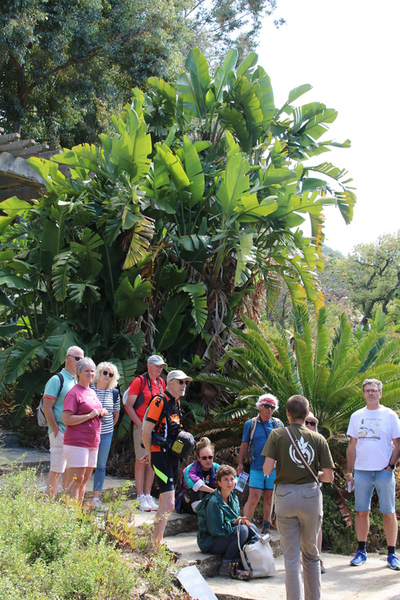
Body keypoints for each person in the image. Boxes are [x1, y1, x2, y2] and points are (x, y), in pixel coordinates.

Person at [262, 395, 334, 600]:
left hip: (285, 495)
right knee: (311, 555)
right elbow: (328, 477)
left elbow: (267, 469)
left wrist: (283, 466)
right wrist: (312, 473)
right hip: (310, 495)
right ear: (307, 414)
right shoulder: (318, 438)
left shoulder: (277, 435)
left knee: (291, 558)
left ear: (287, 413)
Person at [346, 378, 400, 569]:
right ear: (363, 393)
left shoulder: (390, 415)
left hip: (384, 472)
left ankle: (392, 554)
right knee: (361, 512)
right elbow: (352, 446)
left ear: (380, 393)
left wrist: (391, 466)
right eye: (367, 390)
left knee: (389, 513)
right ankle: (361, 551)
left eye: (374, 390)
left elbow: (398, 443)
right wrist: (348, 471)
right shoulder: (356, 416)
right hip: (361, 471)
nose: (371, 393)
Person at [141, 369, 191, 544]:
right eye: (180, 382)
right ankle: (155, 543)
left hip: (172, 457)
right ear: (169, 383)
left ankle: (156, 542)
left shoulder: (176, 403)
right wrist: (150, 454)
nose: (184, 385)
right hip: (160, 457)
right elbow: (146, 432)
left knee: (165, 501)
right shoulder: (159, 401)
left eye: (186, 382)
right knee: (169, 502)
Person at [196, 464, 258, 577]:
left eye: (232, 479)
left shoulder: (233, 497)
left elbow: (236, 517)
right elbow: (216, 530)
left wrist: (242, 521)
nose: (230, 483)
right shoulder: (214, 502)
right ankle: (226, 565)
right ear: (219, 483)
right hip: (211, 541)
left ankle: (249, 560)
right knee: (242, 531)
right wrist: (235, 523)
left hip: (224, 534)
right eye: (225, 480)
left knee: (252, 528)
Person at [62, 358, 108, 504]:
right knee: (76, 480)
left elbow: (93, 411)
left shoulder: (91, 391)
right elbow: (67, 419)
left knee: (84, 480)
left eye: (92, 371)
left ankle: (78, 513)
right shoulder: (74, 393)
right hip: (77, 442)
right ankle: (69, 515)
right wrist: (89, 415)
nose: (90, 373)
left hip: (92, 443)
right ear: (78, 373)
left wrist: (100, 412)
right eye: (86, 371)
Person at [42, 345, 84, 498]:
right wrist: (55, 430)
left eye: (82, 359)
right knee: (57, 470)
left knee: (69, 471)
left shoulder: (76, 381)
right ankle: (50, 505)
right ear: (67, 358)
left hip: (73, 434)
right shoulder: (57, 379)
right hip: (60, 432)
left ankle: (65, 504)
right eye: (77, 358)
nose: (79, 362)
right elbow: (47, 407)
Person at [125, 355, 166, 511]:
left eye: (161, 366)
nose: (159, 369)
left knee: (152, 460)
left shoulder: (161, 382)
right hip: (142, 427)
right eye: (156, 366)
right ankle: (140, 496)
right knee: (141, 460)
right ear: (148, 365)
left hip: (157, 428)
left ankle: (148, 495)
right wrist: (140, 423)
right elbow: (129, 405)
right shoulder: (139, 381)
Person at [237, 393, 283, 533]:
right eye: (266, 406)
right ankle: (246, 526)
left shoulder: (278, 424)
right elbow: (244, 445)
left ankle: (266, 527)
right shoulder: (251, 424)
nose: (269, 409)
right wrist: (240, 464)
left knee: (269, 497)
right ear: (259, 407)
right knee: (254, 496)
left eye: (272, 407)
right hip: (257, 467)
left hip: (274, 468)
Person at [90, 361, 121, 509]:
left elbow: (116, 413)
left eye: (111, 374)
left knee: (101, 466)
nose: (107, 376)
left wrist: (109, 427)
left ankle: (96, 498)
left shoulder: (114, 393)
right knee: (86, 464)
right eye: (105, 373)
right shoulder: (88, 389)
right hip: (88, 432)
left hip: (106, 433)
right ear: (99, 373)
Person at [175, 437, 220, 514]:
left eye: (210, 457)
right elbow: (194, 484)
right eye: (204, 458)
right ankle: (202, 512)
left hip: (207, 498)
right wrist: (214, 491)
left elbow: (231, 476)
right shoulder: (190, 469)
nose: (208, 461)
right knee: (196, 489)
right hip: (189, 500)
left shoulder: (216, 467)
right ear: (198, 458)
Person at [305, 412, 325, 574]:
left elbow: (326, 469)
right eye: (307, 422)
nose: (309, 426)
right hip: (294, 488)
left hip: (314, 486)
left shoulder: (319, 442)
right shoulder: (290, 440)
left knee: (317, 525)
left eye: (312, 423)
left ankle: (317, 558)